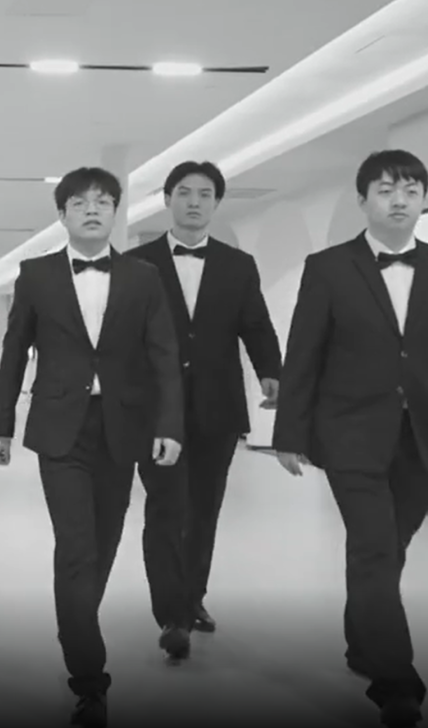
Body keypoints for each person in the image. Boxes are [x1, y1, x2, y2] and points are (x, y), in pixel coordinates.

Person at [272, 149, 428, 728]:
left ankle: (363, 643)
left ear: (422, 198)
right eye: (386, 191)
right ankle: (396, 680)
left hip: (425, 434)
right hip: (350, 433)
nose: (399, 201)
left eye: (410, 191)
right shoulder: (329, 267)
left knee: (388, 547)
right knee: (375, 548)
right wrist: (289, 433)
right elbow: (303, 353)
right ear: (363, 200)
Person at [0, 167, 183, 728]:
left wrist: (169, 425)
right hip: (60, 429)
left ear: (116, 212)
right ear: (62, 215)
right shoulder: (36, 275)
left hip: (122, 428)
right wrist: (2, 424)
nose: (93, 210)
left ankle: (75, 620)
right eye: (80, 203)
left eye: (103, 202)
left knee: (103, 543)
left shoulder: (143, 277)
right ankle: (89, 678)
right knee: (76, 547)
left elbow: (164, 355)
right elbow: (14, 350)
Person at [126, 160, 282, 656]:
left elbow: (256, 324)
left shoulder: (239, 265)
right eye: (184, 192)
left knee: (204, 510)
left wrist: (271, 372)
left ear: (216, 203)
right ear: (167, 199)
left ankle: (192, 599)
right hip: (156, 409)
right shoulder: (136, 263)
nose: (194, 202)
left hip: (219, 404)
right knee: (166, 507)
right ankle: (171, 614)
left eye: (205, 194)